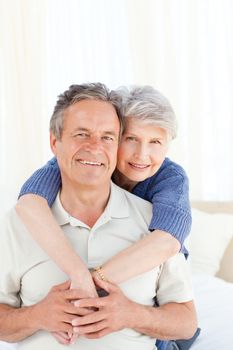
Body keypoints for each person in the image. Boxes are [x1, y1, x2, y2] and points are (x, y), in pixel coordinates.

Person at [0, 83, 197, 350]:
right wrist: (37, 315)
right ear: (55, 143)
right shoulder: (26, 214)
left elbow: (168, 244)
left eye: (106, 136)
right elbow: (29, 200)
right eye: (131, 139)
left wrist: (111, 302)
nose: (142, 154)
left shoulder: (160, 201)